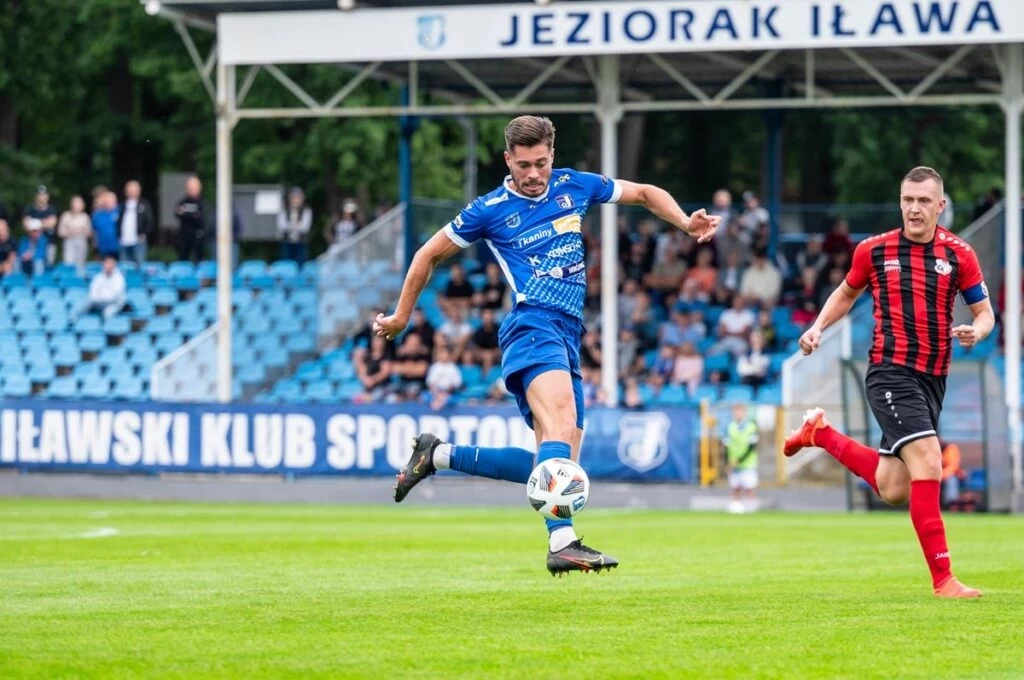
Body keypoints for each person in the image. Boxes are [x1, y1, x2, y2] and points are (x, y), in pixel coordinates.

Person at [374, 115, 719, 575]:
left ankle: (437, 454)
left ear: (552, 156)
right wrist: (401, 316)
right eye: (523, 165)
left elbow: (642, 192)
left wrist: (684, 222)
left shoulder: (574, 185)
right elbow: (427, 255)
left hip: (568, 332)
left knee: (560, 465)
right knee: (559, 426)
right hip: (532, 326)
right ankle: (563, 545)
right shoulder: (489, 208)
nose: (534, 174)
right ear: (507, 160)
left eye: (541, 163)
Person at [784, 166, 992, 599]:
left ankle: (820, 434)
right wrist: (818, 327)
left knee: (894, 488)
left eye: (923, 201)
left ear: (940, 205)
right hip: (890, 372)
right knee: (929, 461)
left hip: (933, 379)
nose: (914, 209)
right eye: (907, 200)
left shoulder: (960, 254)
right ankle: (944, 580)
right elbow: (846, 293)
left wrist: (977, 330)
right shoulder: (874, 250)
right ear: (900, 202)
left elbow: (985, 312)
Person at [724, 403, 759, 514]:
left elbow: (751, 447)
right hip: (733, 464)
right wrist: (728, 462)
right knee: (735, 488)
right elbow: (726, 446)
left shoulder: (751, 426)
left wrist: (739, 460)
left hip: (747, 464)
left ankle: (751, 509)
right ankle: (736, 508)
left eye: (739, 411)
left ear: (744, 412)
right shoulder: (730, 427)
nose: (737, 413)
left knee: (749, 488)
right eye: (735, 411)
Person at [117, 180, 154, 268]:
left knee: (139, 265)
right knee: (124, 266)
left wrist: (144, 233)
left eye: (134, 190)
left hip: (138, 241)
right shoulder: (122, 205)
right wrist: (119, 235)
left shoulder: (144, 204)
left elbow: (150, 221)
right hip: (124, 241)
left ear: (139, 191)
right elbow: (118, 221)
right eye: (129, 190)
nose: (132, 193)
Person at [78, 254, 126, 320]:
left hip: (114, 304)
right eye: (107, 263)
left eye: (111, 263)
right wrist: (98, 299)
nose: (109, 265)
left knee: (107, 313)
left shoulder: (119, 278)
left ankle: (106, 325)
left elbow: (113, 297)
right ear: (103, 264)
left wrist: (99, 298)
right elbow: (92, 294)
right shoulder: (98, 277)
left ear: (114, 264)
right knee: (83, 304)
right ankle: (74, 321)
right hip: (98, 302)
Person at [175, 176, 208, 263]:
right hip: (184, 238)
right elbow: (177, 213)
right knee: (183, 260)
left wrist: (185, 214)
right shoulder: (183, 202)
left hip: (198, 237)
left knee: (199, 260)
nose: (192, 190)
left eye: (194, 187)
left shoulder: (203, 203)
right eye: (190, 187)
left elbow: (201, 217)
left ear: (199, 188)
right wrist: (192, 215)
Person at [23, 185, 58, 266]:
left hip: (49, 242)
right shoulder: (30, 208)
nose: (41, 197)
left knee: (49, 265)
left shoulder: (51, 209)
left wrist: (35, 223)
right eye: (39, 195)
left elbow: (52, 222)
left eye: (43, 195)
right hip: (33, 244)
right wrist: (44, 223)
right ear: (36, 196)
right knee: (33, 264)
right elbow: (26, 225)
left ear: (47, 196)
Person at [58, 195, 92, 275]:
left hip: (81, 242)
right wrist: (72, 231)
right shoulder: (65, 216)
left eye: (78, 203)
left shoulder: (85, 217)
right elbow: (60, 232)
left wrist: (81, 231)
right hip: (69, 242)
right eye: (74, 203)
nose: (76, 205)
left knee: (80, 264)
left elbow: (89, 233)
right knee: (68, 263)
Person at [278, 187, 312, 264]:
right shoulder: (284, 209)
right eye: (293, 197)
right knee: (286, 263)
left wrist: (290, 225)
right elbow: (281, 226)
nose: (295, 200)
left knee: (300, 263)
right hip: (287, 242)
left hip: (301, 242)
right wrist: (296, 225)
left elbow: (305, 228)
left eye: (298, 198)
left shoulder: (306, 210)